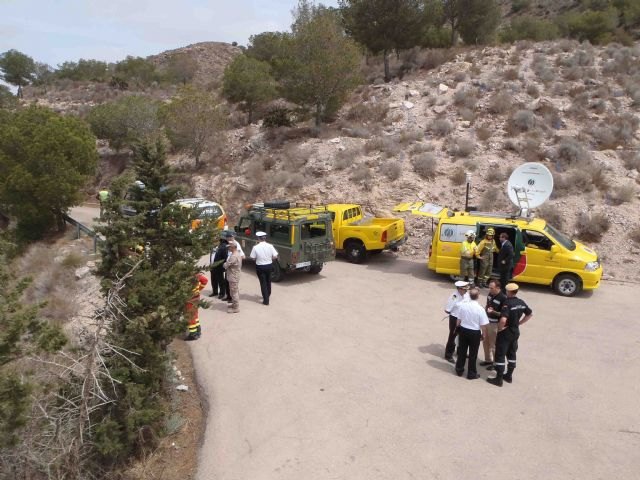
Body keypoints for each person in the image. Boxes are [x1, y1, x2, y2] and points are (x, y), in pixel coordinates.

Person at [487, 283, 533, 387]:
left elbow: (503, 319)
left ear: (508, 292)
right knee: (512, 353)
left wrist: (499, 329)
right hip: (515, 332)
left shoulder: (507, 303)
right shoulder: (521, 302)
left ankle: (498, 379)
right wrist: (519, 323)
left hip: (505, 332)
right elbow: (529, 314)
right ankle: (508, 375)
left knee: (500, 354)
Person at [455, 287, 489, 379]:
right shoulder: (480, 309)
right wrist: (484, 335)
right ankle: (471, 373)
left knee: (462, 351)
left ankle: (459, 370)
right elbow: (483, 325)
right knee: (473, 354)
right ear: (478, 296)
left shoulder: (463, 306)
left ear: (469, 295)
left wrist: (457, 328)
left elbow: (458, 319)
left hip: (463, 330)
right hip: (474, 333)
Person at [481, 279, 507, 369]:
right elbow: (487, 305)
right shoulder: (490, 294)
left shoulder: (503, 298)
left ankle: (496, 364)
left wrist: (494, 312)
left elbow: (503, 314)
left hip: (494, 324)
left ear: (498, 288)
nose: (490, 290)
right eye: (489, 288)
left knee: (493, 345)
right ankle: (488, 360)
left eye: (492, 288)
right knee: (485, 342)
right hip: (486, 322)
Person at [443, 280, 470, 363]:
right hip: (455, 318)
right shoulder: (454, 296)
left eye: (466, 289)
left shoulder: (467, 295)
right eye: (464, 289)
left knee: (462, 336)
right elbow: (447, 310)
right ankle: (448, 354)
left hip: (464, 318)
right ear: (459, 289)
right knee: (453, 336)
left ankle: (460, 352)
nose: (466, 291)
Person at [249, 231, 279, 305]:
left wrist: (259, 259)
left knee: (263, 283)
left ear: (258, 239)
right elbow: (275, 256)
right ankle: (268, 294)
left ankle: (266, 300)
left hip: (260, 266)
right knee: (268, 281)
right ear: (264, 238)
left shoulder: (255, 247)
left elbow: (252, 258)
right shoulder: (270, 246)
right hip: (269, 265)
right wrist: (270, 259)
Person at [185, 271, 208, 341]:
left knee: (190, 316)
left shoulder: (187, 276)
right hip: (196, 298)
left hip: (190, 299)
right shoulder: (196, 274)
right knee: (195, 314)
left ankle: (193, 334)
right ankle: (198, 330)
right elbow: (205, 280)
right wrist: (199, 289)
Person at [224, 241, 242, 313]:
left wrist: (224, 264)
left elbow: (226, 265)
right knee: (233, 290)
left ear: (233, 247)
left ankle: (236, 308)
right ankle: (234, 304)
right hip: (234, 275)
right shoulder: (236, 253)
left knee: (234, 292)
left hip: (233, 276)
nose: (228, 248)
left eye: (229, 247)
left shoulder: (234, 256)